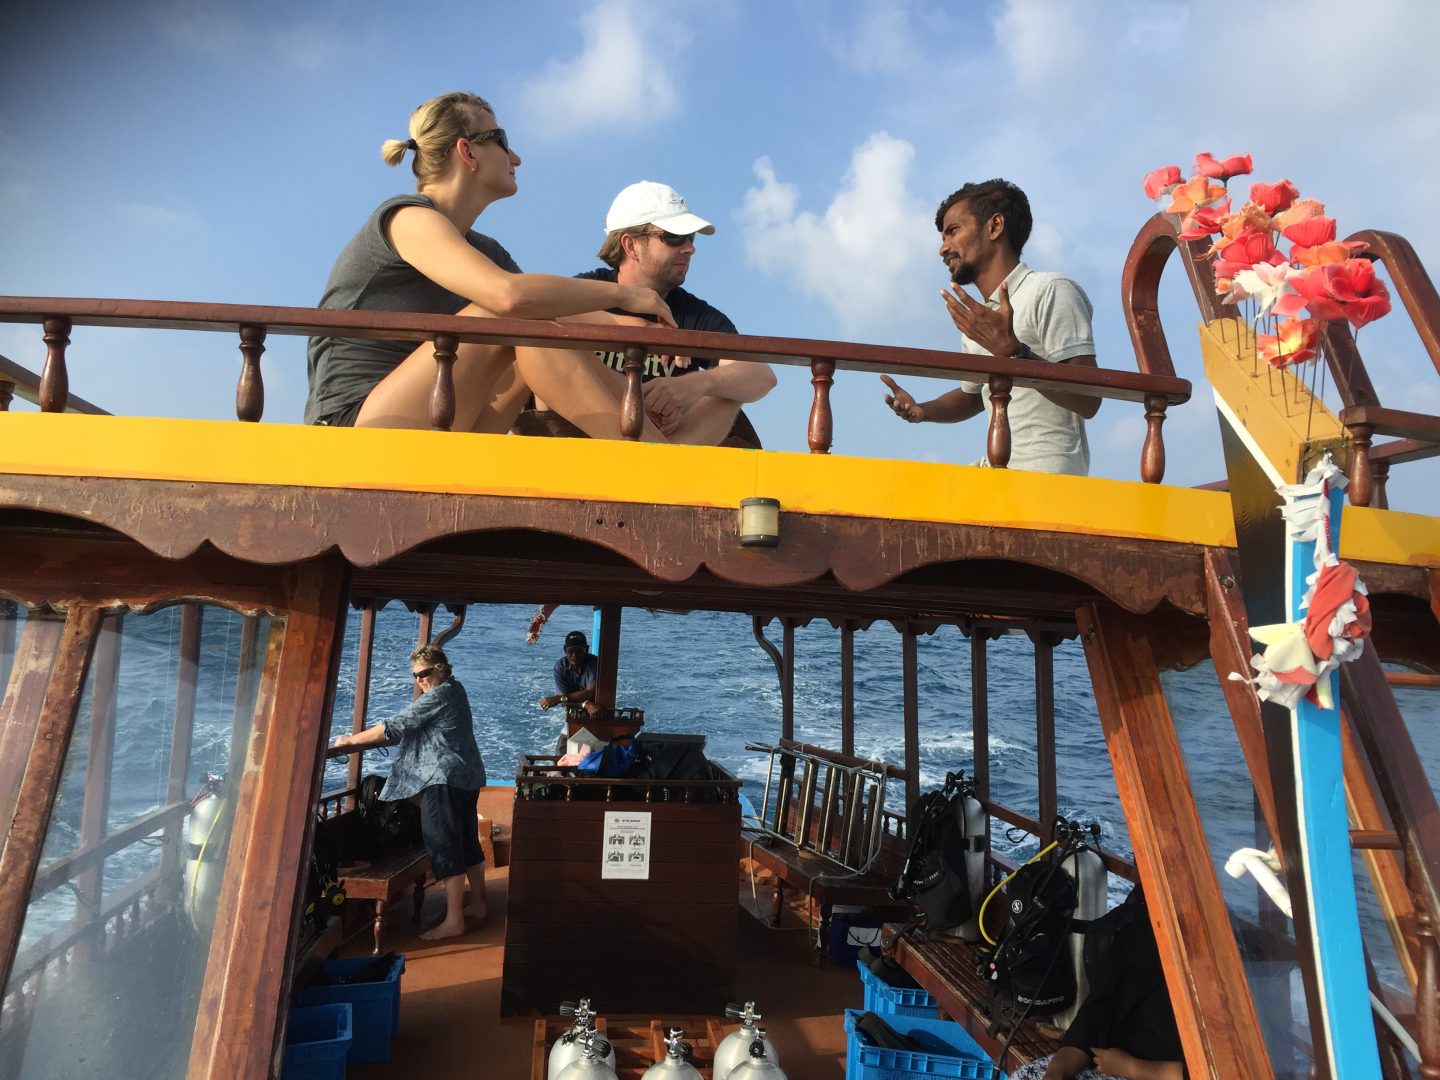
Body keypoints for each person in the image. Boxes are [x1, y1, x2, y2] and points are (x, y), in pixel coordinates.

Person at [304, 90, 674, 440]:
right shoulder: (406, 219)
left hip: (437, 410)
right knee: (509, 317)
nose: (516, 158)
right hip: (353, 427)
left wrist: (637, 330)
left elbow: (554, 311)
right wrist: (626, 295)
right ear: (467, 152)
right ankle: (654, 461)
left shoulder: (484, 252)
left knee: (539, 326)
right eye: (503, 141)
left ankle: (668, 455)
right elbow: (511, 299)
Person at [516, 180, 775, 447]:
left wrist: (694, 385)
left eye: (691, 237)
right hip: (584, 440)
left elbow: (762, 375)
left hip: (669, 438)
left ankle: (659, 458)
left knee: (727, 390)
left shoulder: (693, 313)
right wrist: (626, 324)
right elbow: (521, 305)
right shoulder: (588, 293)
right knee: (546, 338)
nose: (689, 248)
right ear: (630, 246)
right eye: (673, 237)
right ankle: (655, 458)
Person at [880, 179, 1100, 475]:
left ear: (995, 226)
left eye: (953, 231)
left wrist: (1014, 354)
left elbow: (1089, 400)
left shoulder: (1049, 289)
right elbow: (973, 397)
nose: (942, 248)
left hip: (1046, 476)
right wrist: (923, 410)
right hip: (998, 468)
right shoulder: (981, 318)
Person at [331, 644, 487, 941]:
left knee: (444, 846)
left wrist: (350, 741)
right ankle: (478, 905)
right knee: (467, 843)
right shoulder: (456, 689)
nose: (420, 681)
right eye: (415, 676)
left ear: (440, 669)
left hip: (442, 779)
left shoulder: (441, 693)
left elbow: (395, 726)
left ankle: (454, 921)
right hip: (465, 777)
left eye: (425, 673)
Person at [1011, 889, 1185, 1080]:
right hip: (1111, 1060)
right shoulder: (1135, 934)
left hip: (1148, 1070)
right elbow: (1096, 1011)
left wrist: (1131, 1067)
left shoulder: (1208, 973)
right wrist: (1056, 1072)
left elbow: (1212, 1069)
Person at [540, 630, 598, 713]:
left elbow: (590, 693)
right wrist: (585, 705)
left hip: (596, 707)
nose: (574, 655)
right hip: (576, 708)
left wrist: (559, 698)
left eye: (579, 651)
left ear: (587, 649)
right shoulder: (560, 667)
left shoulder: (595, 664)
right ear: (564, 650)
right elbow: (563, 703)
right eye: (570, 651)